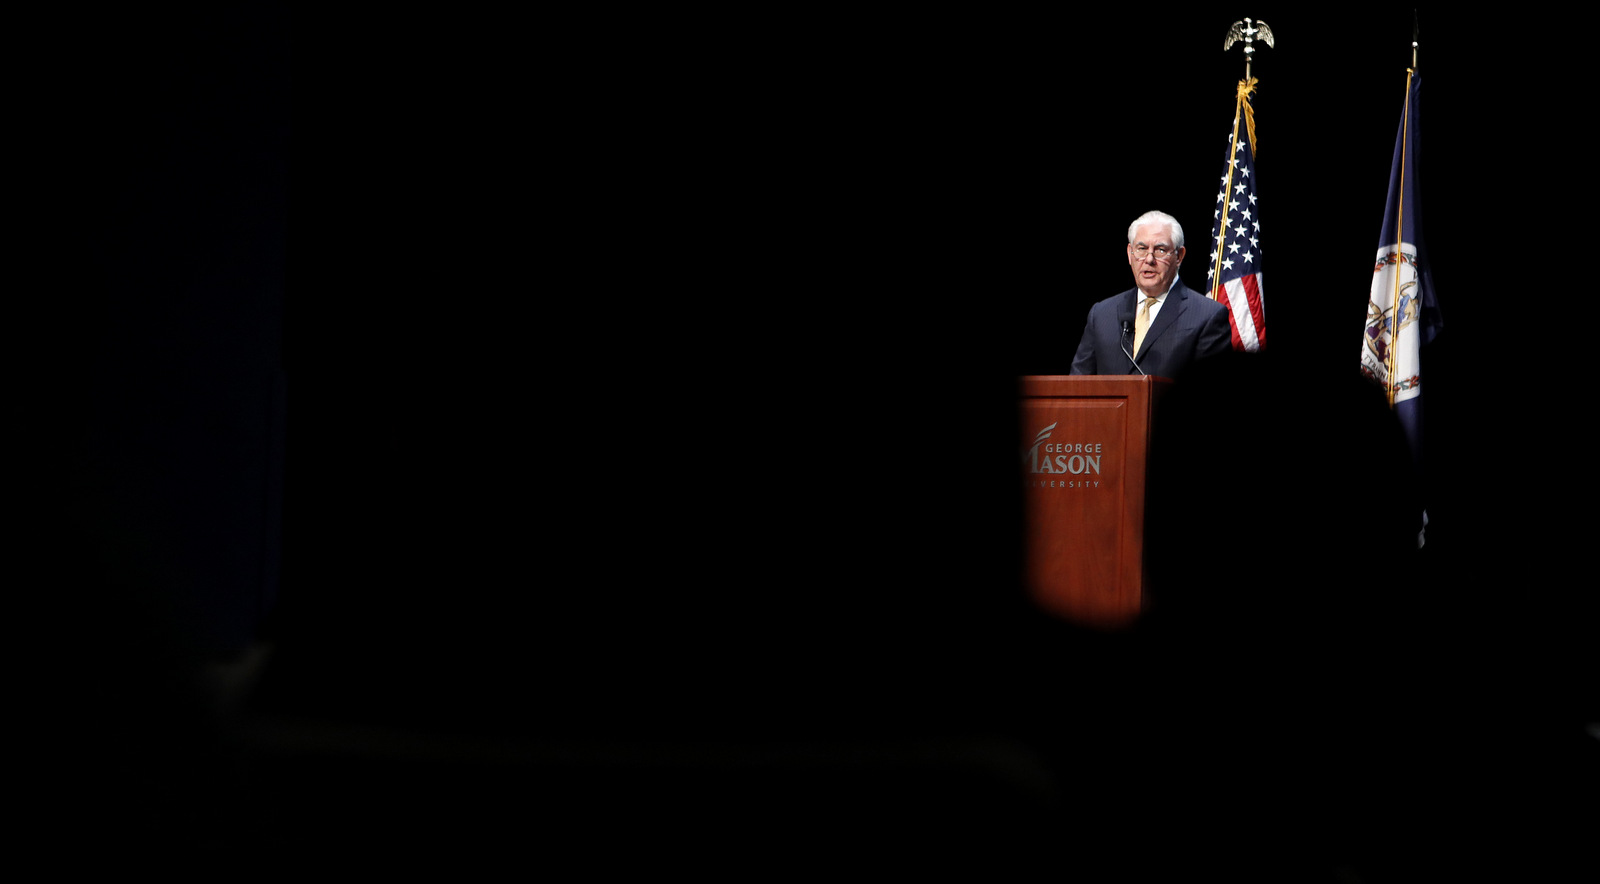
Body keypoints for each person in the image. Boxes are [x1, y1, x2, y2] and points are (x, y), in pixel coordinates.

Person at [1070, 210, 1232, 378]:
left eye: (1160, 250)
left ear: (1179, 256)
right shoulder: (1102, 313)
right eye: (1141, 249)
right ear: (1129, 253)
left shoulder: (1207, 316)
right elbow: (1077, 385)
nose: (1149, 259)